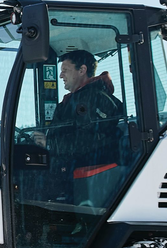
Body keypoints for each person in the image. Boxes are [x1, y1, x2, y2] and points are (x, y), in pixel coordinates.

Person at [48, 50, 126, 203]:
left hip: (89, 178)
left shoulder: (95, 99)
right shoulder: (73, 101)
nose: (61, 76)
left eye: (65, 71)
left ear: (82, 70)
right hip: (71, 174)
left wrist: (48, 143)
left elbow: (86, 143)